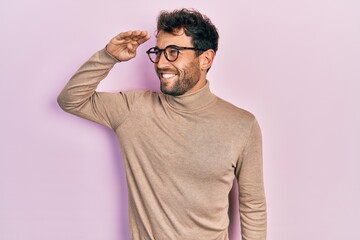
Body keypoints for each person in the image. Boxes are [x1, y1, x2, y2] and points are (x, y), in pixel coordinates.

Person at [58, 8, 267, 240]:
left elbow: (252, 204)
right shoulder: (133, 109)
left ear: (206, 59)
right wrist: (109, 56)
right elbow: (70, 100)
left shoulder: (242, 124)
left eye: (173, 52)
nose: (160, 63)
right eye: (158, 52)